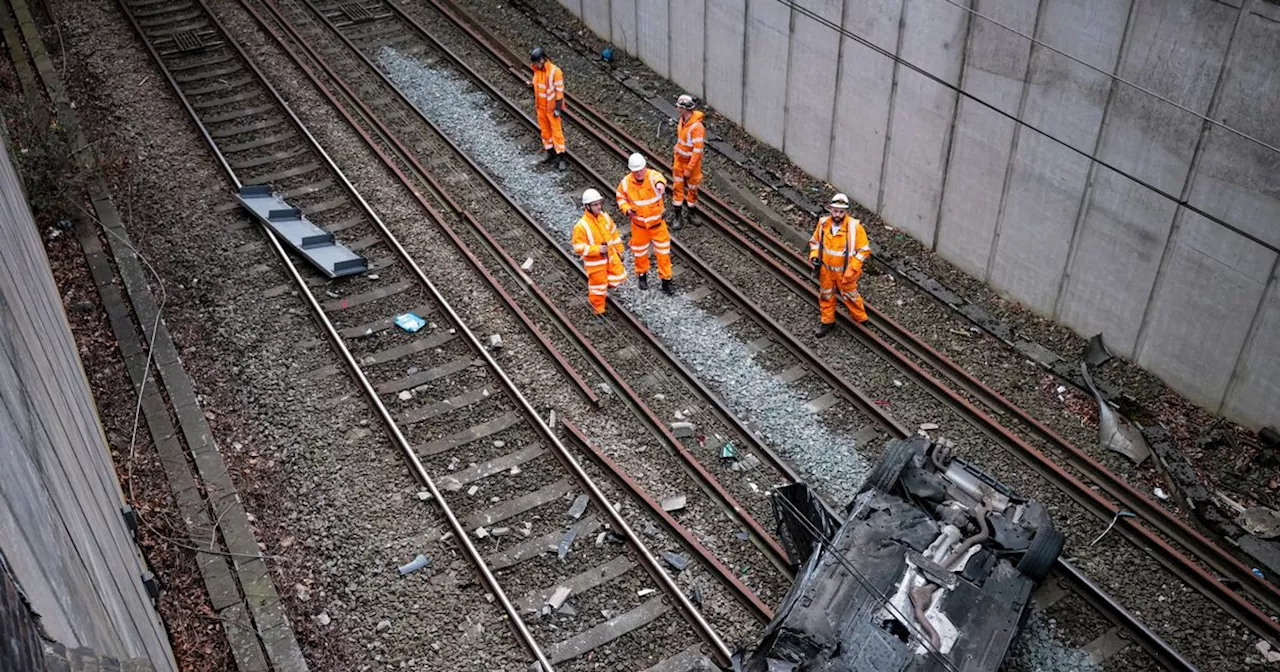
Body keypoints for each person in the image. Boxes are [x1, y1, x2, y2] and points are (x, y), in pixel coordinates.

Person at [808, 193, 870, 336]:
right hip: (826, 271)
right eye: (835, 211)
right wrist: (814, 256)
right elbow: (815, 242)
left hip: (845, 272)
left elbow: (864, 250)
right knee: (826, 296)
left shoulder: (854, 227)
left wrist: (853, 268)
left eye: (841, 211)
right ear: (830, 209)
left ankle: (861, 320)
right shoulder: (823, 223)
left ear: (846, 212)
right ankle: (827, 321)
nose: (837, 214)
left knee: (851, 296)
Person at [615, 153, 673, 295]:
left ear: (645, 168)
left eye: (641, 170)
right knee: (640, 253)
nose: (639, 173)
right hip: (639, 226)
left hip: (658, 225)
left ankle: (666, 281)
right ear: (632, 171)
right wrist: (626, 209)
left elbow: (660, 179)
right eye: (636, 171)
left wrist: (660, 185)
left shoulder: (653, 177)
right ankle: (642, 276)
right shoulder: (626, 183)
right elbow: (620, 198)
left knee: (663, 253)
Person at [571, 189, 627, 320]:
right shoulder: (581, 226)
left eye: (599, 203)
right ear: (587, 207)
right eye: (595, 205)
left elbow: (614, 234)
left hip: (610, 258)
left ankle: (606, 293)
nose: (599, 207)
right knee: (598, 287)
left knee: (618, 277)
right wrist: (597, 250)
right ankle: (599, 310)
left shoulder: (605, 217)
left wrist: (620, 250)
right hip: (596, 264)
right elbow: (578, 247)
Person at [671, 94, 705, 230]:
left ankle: (691, 213)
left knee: (692, 189)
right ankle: (677, 216)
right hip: (679, 161)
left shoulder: (697, 128)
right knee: (677, 188)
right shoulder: (682, 120)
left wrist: (689, 168)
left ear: (685, 109)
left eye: (680, 107)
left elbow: (697, 151)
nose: (678, 109)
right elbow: (682, 140)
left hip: (691, 165)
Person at [530, 47, 566, 171]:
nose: (535, 65)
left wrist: (558, 109)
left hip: (551, 109)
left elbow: (559, 92)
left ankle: (561, 157)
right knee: (545, 131)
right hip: (541, 108)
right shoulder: (537, 70)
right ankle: (550, 152)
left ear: (543, 59)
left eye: (537, 62)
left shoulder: (555, 71)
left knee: (557, 133)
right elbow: (538, 85)